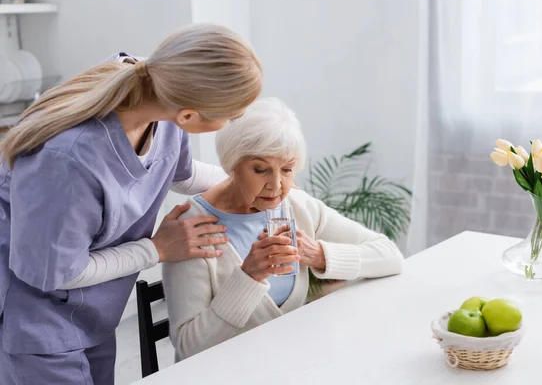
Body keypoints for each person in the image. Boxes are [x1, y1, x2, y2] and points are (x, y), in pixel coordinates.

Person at [0, 24, 262, 384]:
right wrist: (157, 249)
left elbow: (177, 172)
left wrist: (264, 186)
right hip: (40, 323)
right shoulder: (70, 160)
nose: (236, 121)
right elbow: (58, 273)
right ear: (189, 115)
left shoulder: (158, 89)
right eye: (232, 116)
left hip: (92, 312)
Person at [162, 97, 404, 361]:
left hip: (289, 362)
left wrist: (320, 255)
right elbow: (188, 347)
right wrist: (248, 276)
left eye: (287, 169)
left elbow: (389, 255)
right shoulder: (191, 230)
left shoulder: (297, 206)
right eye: (260, 169)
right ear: (231, 164)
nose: (276, 185)